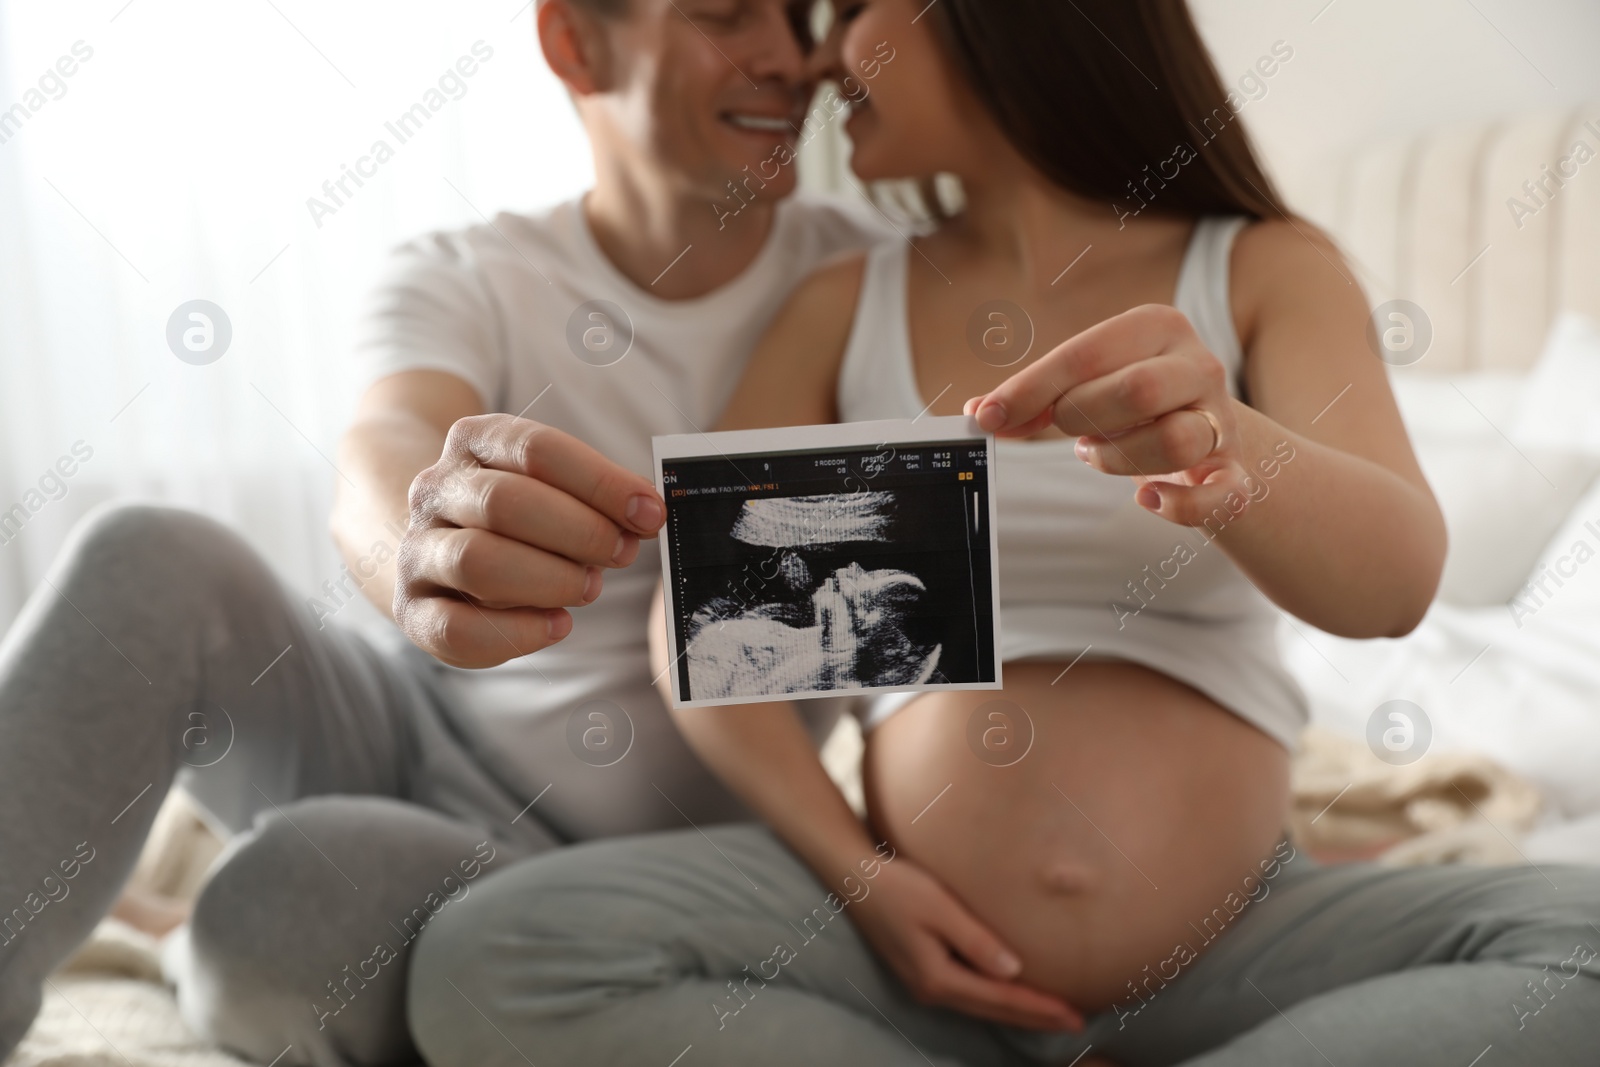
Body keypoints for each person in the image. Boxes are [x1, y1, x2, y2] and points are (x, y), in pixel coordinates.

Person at [405, 1, 1600, 1065]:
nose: (820, 57)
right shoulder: (839, 304)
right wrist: (862, 879)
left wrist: (1224, 442)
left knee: (1582, 948)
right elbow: (705, 627)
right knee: (488, 955)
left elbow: (1393, 588)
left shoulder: (1259, 271)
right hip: (896, 956)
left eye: (856, 6)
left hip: (1233, 946)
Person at [0, 2, 895, 1065]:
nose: (789, 61)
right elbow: (385, 448)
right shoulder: (469, 269)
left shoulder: (877, 284)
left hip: (577, 873)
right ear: (574, 43)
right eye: (725, 14)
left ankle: (180, 935)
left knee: (273, 918)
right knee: (144, 553)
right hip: (403, 722)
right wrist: (419, 551)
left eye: (800, 19)